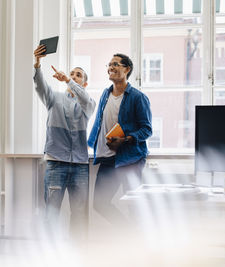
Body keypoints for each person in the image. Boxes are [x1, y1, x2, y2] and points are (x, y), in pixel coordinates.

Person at [33, 44, 96, 238]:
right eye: (72, 73)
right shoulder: (54, 99)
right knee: (51, 213)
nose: (74, 76)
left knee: (79, 213)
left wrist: (68, 80)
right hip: (55, 163)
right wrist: (37, 64)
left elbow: (85, 99)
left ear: (83, 84)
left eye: (78, 75)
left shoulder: (87, 104)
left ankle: (77, 253)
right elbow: (40, 86)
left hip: (79, 165)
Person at [88, 53, 152, 227]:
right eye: (109, 64)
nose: (111, 67)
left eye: (115, 64)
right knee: (99, 203)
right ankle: (129, 234)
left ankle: (137, 244)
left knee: (135, 206)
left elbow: (147, 129)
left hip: (130, 159)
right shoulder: (105, 94)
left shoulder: (138, 97)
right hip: (107, 159)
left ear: (127, 69)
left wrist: (125, 140)